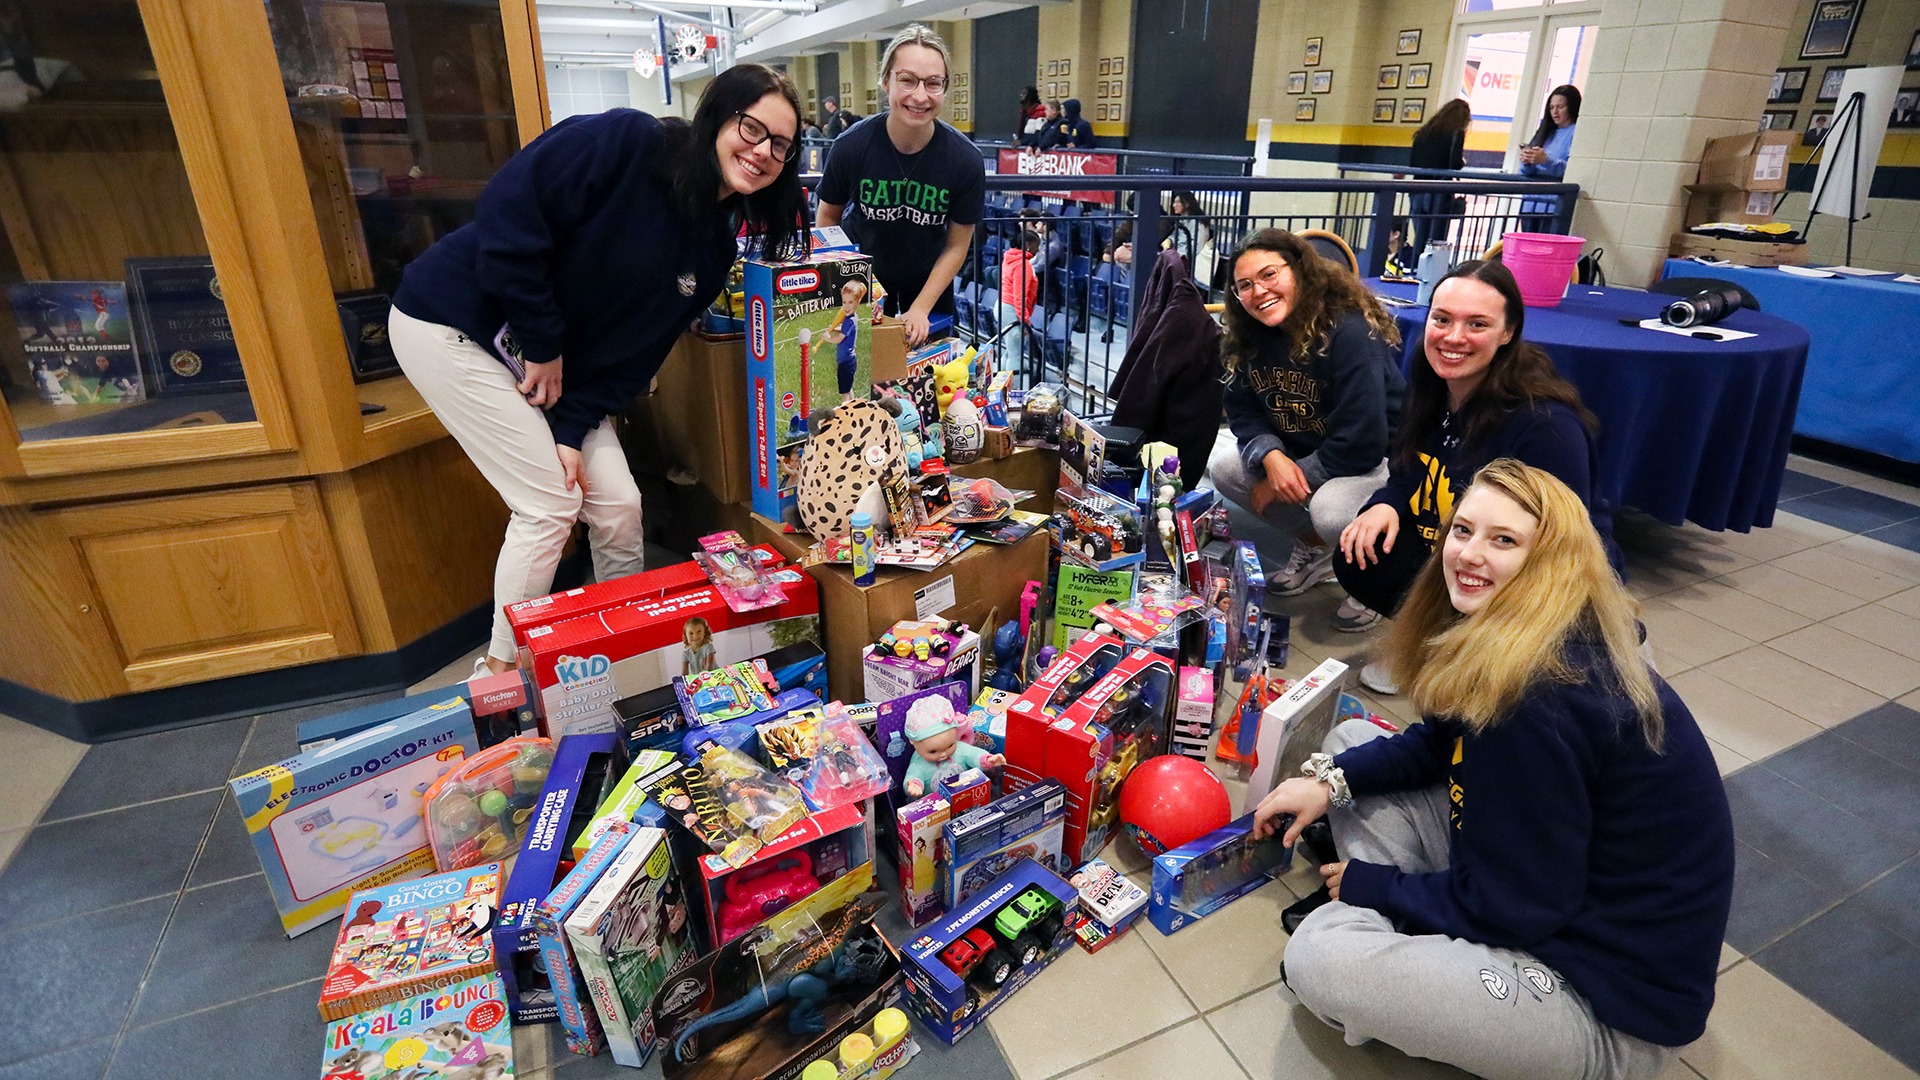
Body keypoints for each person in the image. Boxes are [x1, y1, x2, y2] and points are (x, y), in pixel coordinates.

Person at [1255, 458, 1734, 1080]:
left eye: (1503, 540)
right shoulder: (1535, 636)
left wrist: (1375, 887)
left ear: (1549, 565)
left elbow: (1523, 908)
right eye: (1463, 531)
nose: (1470, 554)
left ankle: (1389, 927)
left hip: (1599, 1005)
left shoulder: (1540, 700)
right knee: (1350, 744)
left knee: (1322, 957)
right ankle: (1412, 925)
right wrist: (1328, 782)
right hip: (1545, 891)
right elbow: (1439, 745)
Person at [389, 64, 804, 675]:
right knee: (548, 506)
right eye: (751, 127)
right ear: (717, 115)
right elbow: (508, 211)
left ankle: (624, 655)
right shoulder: (633, 143)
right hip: (452, 320)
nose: (761, 151)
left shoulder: (713, 248)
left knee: (619, 506)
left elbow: (632, 356)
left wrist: (569, 428)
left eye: (780, 145)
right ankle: (505, 680)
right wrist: (543, 342)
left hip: (555, 373)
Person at [1334, 258, 1614, 691]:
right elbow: (1409, 466)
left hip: (1534, 573)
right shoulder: (1431, 386)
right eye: (1441, 319)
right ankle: (1433, 643)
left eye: (1477, 324)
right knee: (1360, 553)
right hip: (1456, 541)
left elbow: (1568, 550)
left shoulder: (1545, 426)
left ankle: (1476, 655)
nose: (1453, 337)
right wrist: (1386, 502)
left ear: (1508, 333)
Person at [1207, 229, 1406, 631]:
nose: (1258, 291)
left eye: (1269, 275)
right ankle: (1318, 552)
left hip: (1379, 461)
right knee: (1226, 469)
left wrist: (1285, 479)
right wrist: (1271, 456)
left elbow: (1362, 441)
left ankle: (1375, 582)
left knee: (1330, 510)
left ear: (1299, 271)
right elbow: (1242, 411)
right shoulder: (1252, 336)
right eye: (1244, 285)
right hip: (1305, 451)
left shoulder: (1350, 331)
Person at [817, 24, 985, 346]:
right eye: (906, 80)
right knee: (856, 380)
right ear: (886, 82)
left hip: (928, 287)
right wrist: (846, 281)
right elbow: (826, 220)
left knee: (927, 383)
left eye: (933, 83)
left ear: (944, 88)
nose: (920, 96)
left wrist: (921, 307)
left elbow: (957, 245)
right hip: (861, 283)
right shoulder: (851, 145)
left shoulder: (965, 160)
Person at [1407, 97, 1469, 257]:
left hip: (1417, 189)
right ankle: (1433, 274)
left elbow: (1413, 163)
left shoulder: (1423, 133)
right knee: (1437, 240)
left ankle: (1417, 270)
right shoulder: (1456, 133)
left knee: (1420, 237)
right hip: (1439, 191)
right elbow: (1454, 163)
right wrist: (1461, 162)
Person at [1519, 84, 1579, 233]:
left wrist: (1546, 161)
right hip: (1530, 204)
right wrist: (1527, 162)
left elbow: (1572, 170)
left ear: (1571, 107)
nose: (1555, 113)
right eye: (1551, 108)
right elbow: (1525, 171)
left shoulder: (1575, 132)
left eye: (1560, 107)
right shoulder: (1544, 132)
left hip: (1553, 207)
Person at [999, 230, 1040, 369]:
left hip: (1002, 306)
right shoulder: (1023, 264)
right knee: (1015, 355)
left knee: (1009, 351)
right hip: (1012, 311)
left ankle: (1003, 386)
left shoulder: (1010, 258)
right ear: (1027, 245)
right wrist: (1025, 321)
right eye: (1036, 245)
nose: (1038, 250)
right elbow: (1019, 295)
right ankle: (1013, 389)